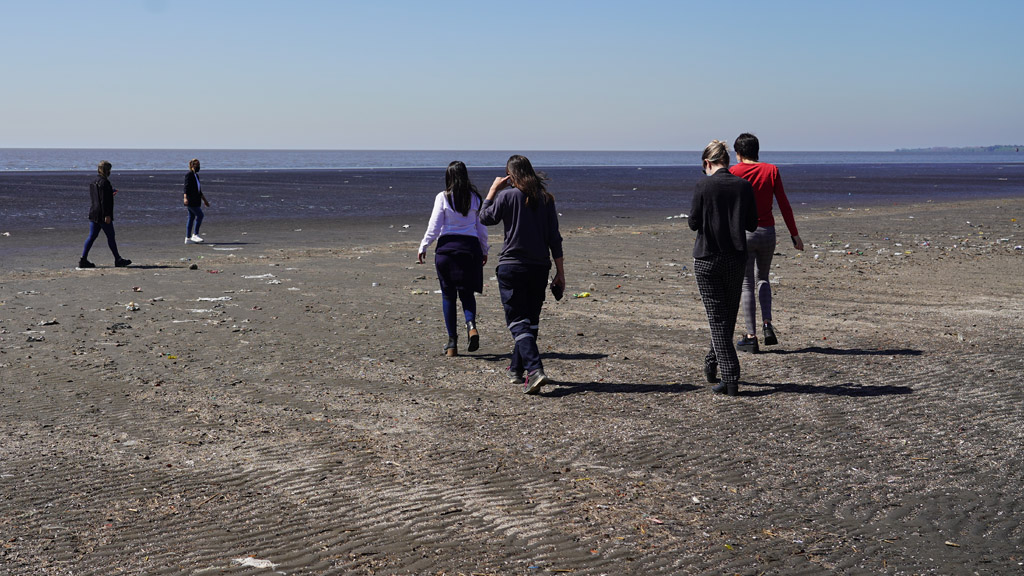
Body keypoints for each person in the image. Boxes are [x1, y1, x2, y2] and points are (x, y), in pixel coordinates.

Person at [479, 155, 565, 395]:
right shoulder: (546, 199)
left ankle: (535, 370)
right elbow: (554, 239)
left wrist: (493, 190)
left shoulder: (507, 195)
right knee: (530, 322)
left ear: (511, 175)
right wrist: (560, 272)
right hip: (539, 267)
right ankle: (517, 370)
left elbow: (484, 218)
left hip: (513, 267)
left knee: (518, 322)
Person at [689, 140, 757, 396]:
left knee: (718, 319)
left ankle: (730, 376)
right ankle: (711, 362)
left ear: (707, 162)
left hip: (707, 257)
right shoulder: (744, 186)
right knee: (725, 318)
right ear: (727, 161)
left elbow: (693, 223)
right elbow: (751, 223)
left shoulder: (703, 185)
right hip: (736, 257)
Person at [729, 133, 804, 353]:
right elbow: (784, 204)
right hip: (767, 232)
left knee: (746, 283)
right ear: (757, 151)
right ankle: (767, 324)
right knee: (763, 278)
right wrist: (794, 234)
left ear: (739, 153)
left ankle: (751, 336)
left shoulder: (734, 172)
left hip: (744, 234)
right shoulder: (771, 170)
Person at [417, 161, 490, 357]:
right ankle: (471, 325)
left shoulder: (442, 197)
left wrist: (424, 245)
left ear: (448, 177)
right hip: (470, 249)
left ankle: (452, 344)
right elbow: (481, 228)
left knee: (448, 295)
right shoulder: (475, 198)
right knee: (467, 294)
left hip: (447, 251)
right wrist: (484, 249)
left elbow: (434, 226)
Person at [79, 160, 131, 268]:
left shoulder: (93, 182)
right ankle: (118, 259)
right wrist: (107, 215)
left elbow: (97, 198)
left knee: (92, 236)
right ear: (107, 171)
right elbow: (104, 200)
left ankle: (83, 259)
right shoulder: (105, 183)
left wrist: (110, 193)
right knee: (110, 236)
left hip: (94, 212)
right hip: (103, 214)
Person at [183, 158, 210, 244]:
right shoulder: (189, 174)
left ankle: (188, 238)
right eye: (197, 165)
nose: (198, 167)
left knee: (191, 217)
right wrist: (185, 198)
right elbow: (186, 187)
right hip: (191, 200)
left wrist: (205, 200)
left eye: (199, 165)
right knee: (200, 215)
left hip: (196, 199)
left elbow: (199, 190)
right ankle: (195, 234)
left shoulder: (196, 175)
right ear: (192, 165)